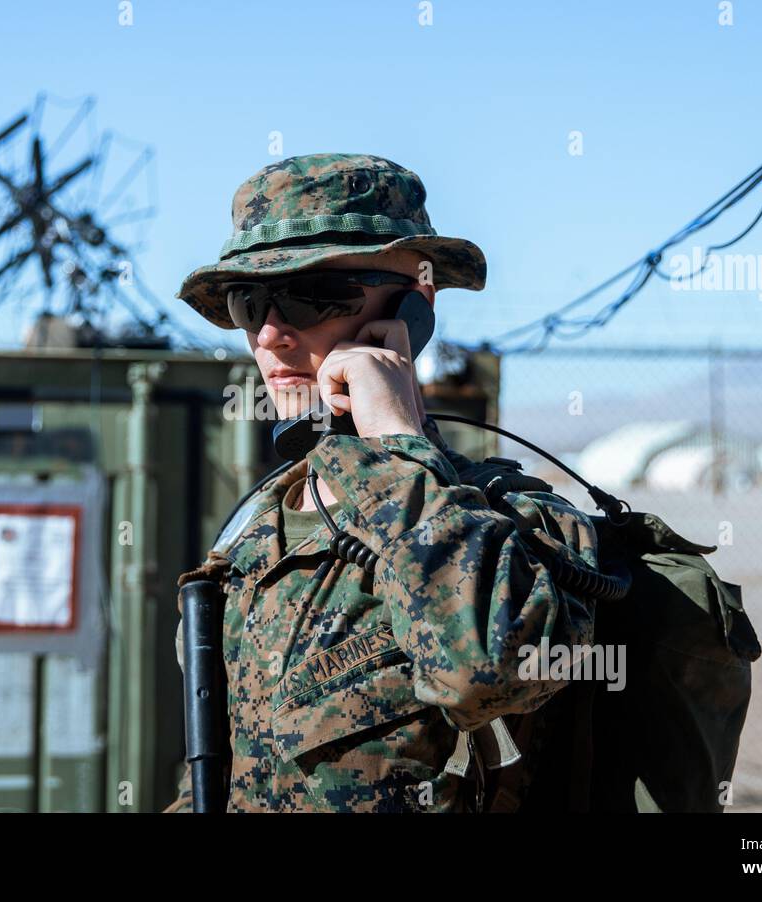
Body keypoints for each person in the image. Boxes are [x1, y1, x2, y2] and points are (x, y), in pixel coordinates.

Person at [165, 153, 597, 812]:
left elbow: (485, 673)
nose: (273, 335)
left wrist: (394, 440)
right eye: (248, 302)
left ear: (413, 308)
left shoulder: (516, 523)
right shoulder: (253, 537)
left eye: (313, 297)